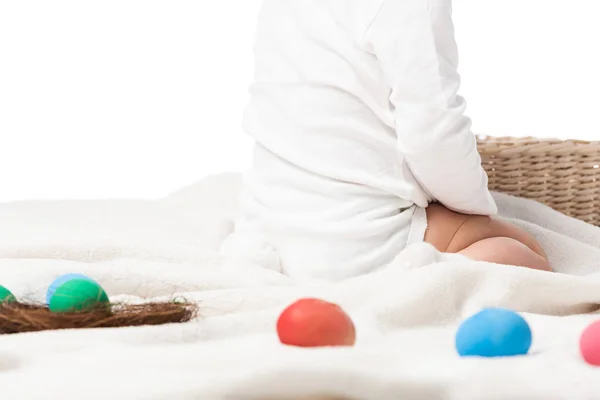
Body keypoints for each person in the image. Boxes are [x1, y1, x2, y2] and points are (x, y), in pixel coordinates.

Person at [223, 0, 551, 281]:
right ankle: (422, 283)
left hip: (266, 223)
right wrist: (476, 209)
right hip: (357, 245)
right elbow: (434, 136)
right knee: (527, 254)